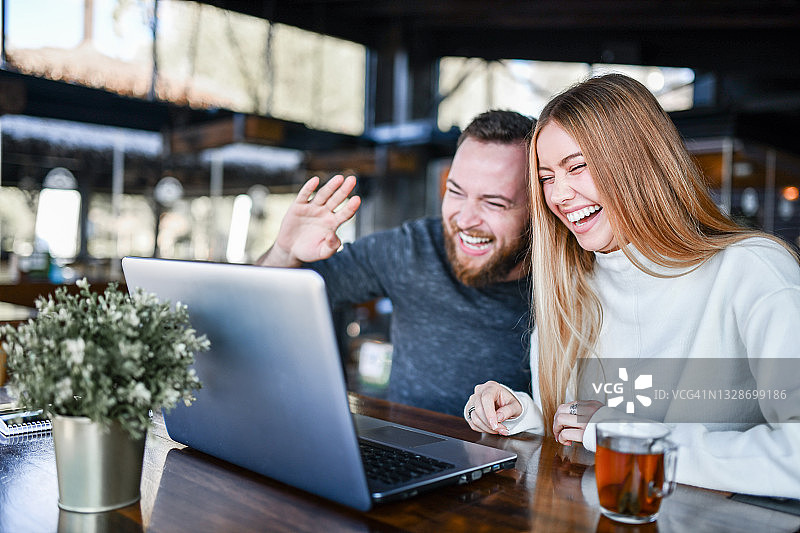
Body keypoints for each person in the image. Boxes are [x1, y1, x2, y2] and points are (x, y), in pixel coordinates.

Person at [464, 74, 800, 498]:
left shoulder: (752, 270)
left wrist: (626, 437)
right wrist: (522, 416)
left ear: (638, 161)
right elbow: (582, 440)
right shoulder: (569, 290)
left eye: (578, 166)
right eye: (547, 177)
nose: (559, 195)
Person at [257, 110, 535, 416]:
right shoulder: (410, 248)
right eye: (455, 192)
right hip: (411, 457)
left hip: (520, 463)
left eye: (494, 202)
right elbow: (263, 304)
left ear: (537, 208)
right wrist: (284, 253)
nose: (465, 219)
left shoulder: (576, 279)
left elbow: (596, 414)